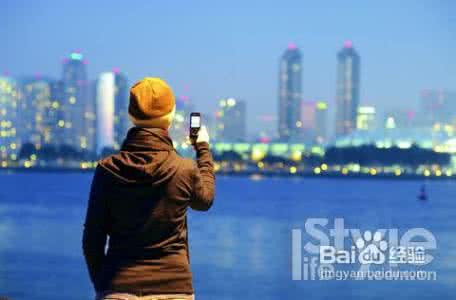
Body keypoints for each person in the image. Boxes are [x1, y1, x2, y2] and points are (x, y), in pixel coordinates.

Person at [82, 78, 215, 300]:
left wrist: (105, 286)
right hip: (174, 290)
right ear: (171, 117)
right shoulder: (184, 169)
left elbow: (92, 240)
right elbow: (205, 200)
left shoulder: (107, 170)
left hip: (118, 288)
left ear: (131, 115)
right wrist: (202, 149)